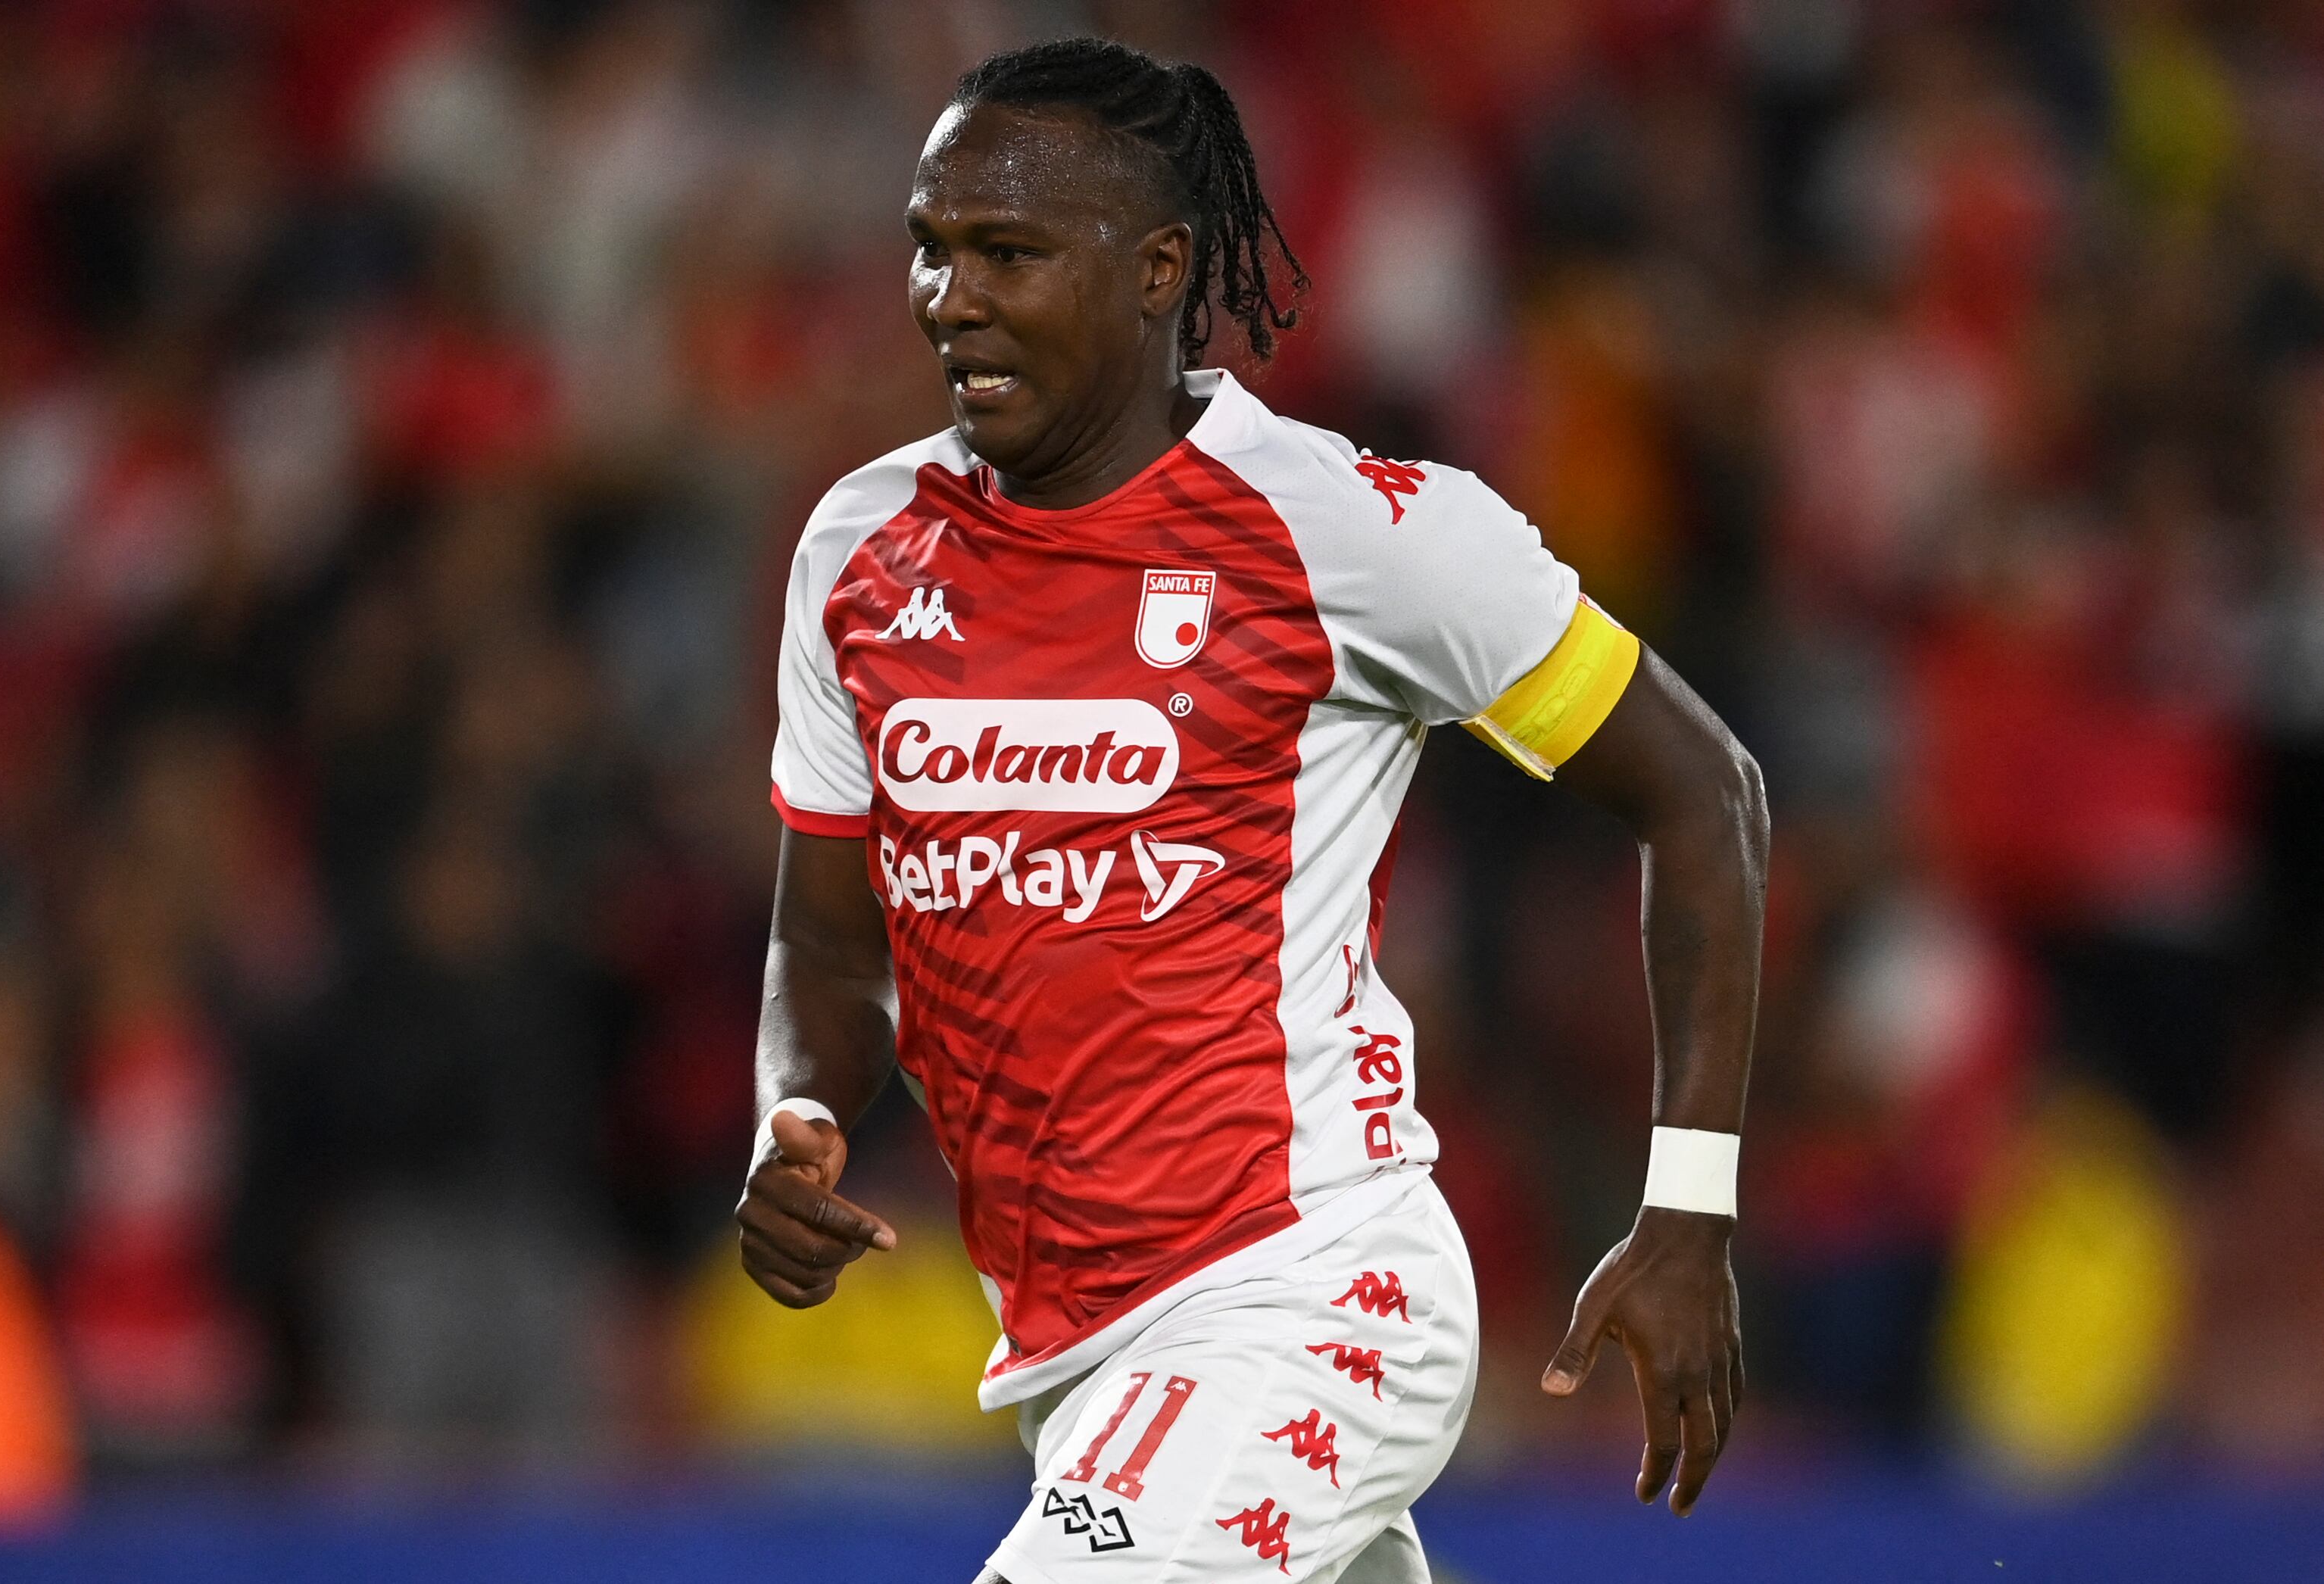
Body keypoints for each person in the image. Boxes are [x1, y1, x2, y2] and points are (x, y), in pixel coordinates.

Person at [739, 37, 1767, 1584]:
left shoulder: (1352, 530)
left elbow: (1705, 793)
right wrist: (800, 1116)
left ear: (1157, 269)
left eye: (1007, 253)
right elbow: (829, 937)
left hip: (1309, 1287)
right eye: (931, 251)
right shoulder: (861, 550)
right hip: (1072, 1355)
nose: (953, 297)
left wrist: (1686, 1207)